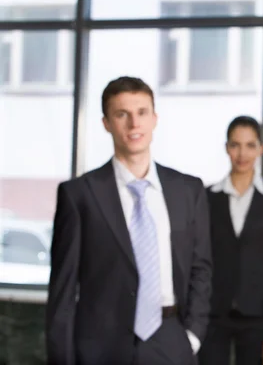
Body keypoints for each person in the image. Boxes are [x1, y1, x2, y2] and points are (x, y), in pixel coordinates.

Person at [46, 76, 212, 365]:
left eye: (142, 113)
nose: (134, 124)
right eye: (122, 114)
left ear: (154, 119)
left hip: (171, 340)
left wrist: (192, 336)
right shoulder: (79, 195)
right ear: (106, 123)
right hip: (99, 346)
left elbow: (201, 267)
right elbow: (63, 288)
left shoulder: (188, 190)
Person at [199, 116, 263, 365]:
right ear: (226, 148)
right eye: (235, 145)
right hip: (212, 313)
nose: (242, 153)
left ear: (261, 148)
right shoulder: (207, 198)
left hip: (258, 315)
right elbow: (198, 261)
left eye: (250, 145)